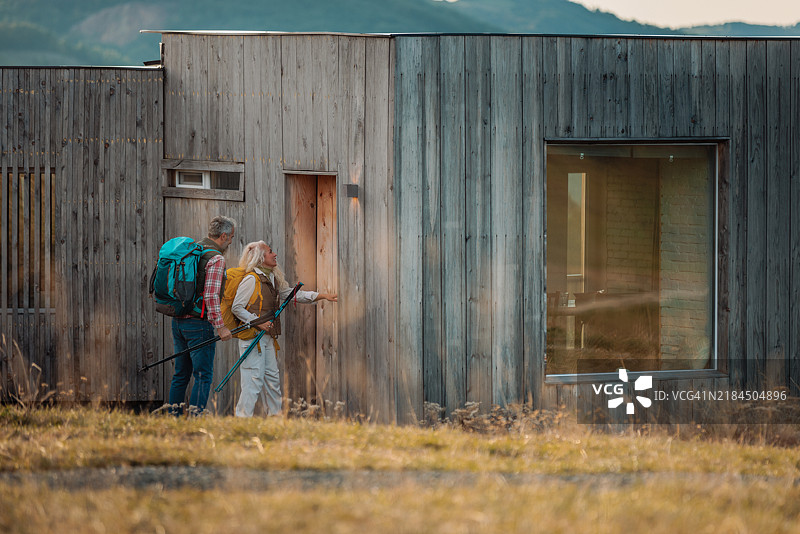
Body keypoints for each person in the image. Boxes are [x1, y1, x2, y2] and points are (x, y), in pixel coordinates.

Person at [231, 240, 337, 417]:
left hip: (267, 337)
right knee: (253, 380)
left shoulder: (271, 279)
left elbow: (291, 294)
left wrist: (321, 296)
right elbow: (237, 307)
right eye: (270, 252)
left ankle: (275, 418)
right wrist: (257, 322)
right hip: (252, 338)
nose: (275, 254)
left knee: (272, 379)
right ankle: (241, 420)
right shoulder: (251, 279)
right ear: (260, 257)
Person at [168, 215, 236, 414]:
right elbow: (211, 295)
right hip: (199, 325)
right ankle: (196, 419)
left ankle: (173, 417)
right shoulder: (215, 258)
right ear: (223, 236)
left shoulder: (191, 251)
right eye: (231, 237)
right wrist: (221, 326)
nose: (231, 241)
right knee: (203, 375)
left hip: (178, 321)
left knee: (180, 374)